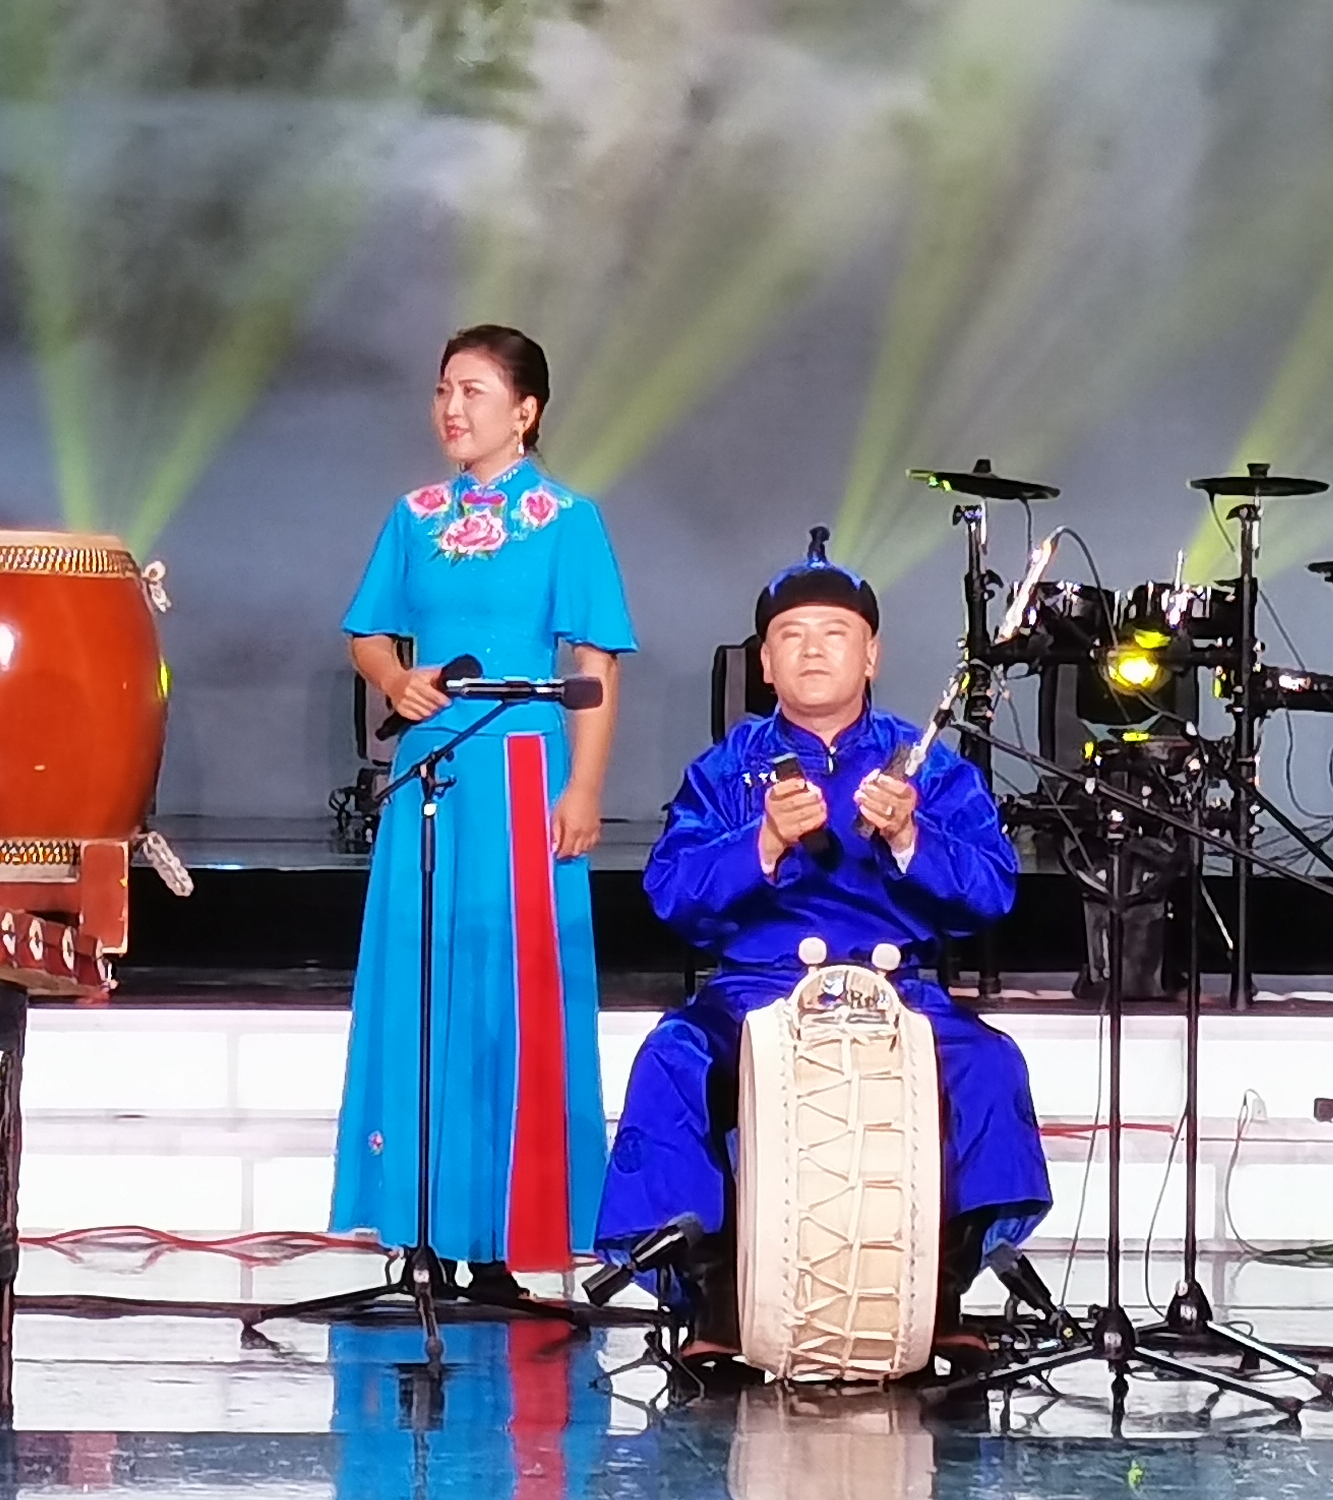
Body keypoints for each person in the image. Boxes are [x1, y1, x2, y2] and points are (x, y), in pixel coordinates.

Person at [599, 534, 1038, 1368]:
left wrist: (910, 836)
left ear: (870, 655)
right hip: (757, 991)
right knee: (673, 1058)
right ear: (765, 663)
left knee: (988, 1065)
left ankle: (941, 1294)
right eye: (791, 636)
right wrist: (761, 842)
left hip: (895, 990)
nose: (812, 650)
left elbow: (992, 890)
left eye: (835, 634)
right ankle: (718, 1299)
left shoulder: (927, 766)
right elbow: (671, 891)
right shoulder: (726, 769)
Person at [327, 325, 632, 1301]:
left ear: (525, 411)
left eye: (473, 392)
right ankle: (420, 1229)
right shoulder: (414, 515)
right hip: (433, 766)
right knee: (421, 987)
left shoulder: (567, 520)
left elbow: (596, 664)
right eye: (443, 390)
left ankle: (503, 1237)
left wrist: (585, 788)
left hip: (526, 767)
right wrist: (397, 680)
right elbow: (368, 634)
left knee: (511, 995)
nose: (451, 409)